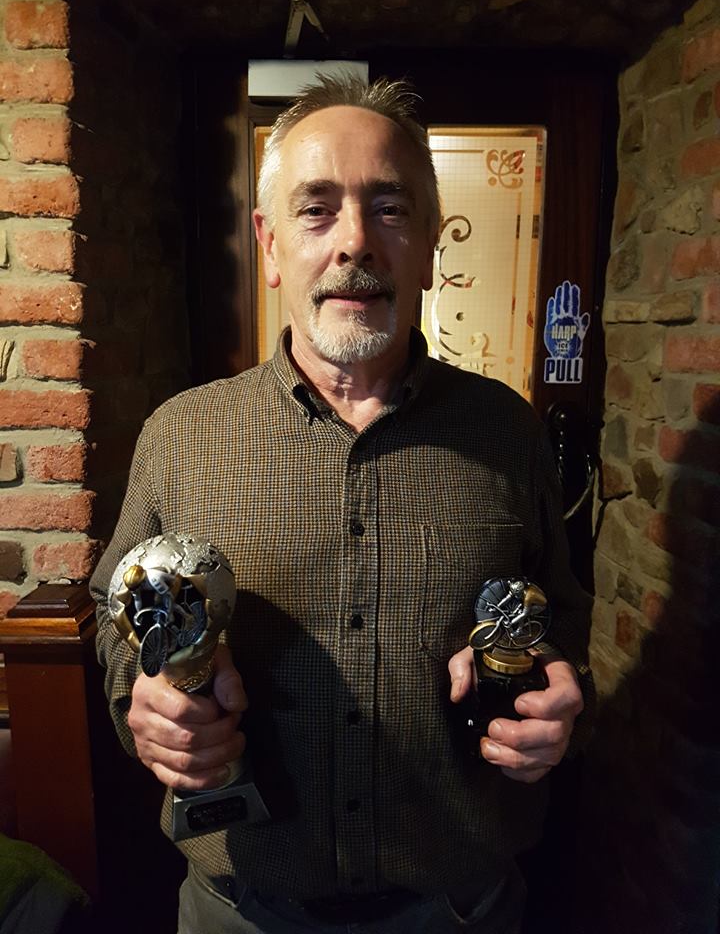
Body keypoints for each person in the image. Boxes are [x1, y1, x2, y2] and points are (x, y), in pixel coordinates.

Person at [90, 75, 593, 934]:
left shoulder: (508, 432)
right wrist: (139, 697)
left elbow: (563, 618)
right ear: (270, 243)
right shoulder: (180, 434)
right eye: (317, 210)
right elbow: (114, 612)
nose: (355, 240)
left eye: (390, 209)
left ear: (430, 244)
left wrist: (557, 697)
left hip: (460, 908)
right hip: (240, 910)